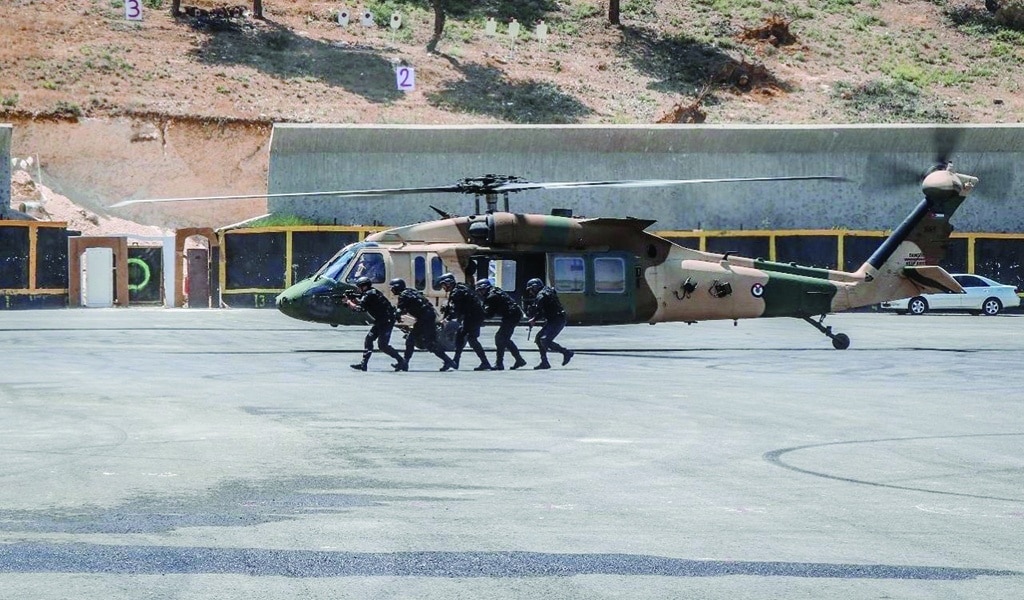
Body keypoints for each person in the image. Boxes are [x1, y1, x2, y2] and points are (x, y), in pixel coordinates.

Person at [341, 276, 408, 372]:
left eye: (359, 287)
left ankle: (402, 362)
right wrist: (352, 299)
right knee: (369, 339)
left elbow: (360, 309)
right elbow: (363, 304)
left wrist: (348, 302)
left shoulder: (369, 294)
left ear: (364, 287)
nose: (358, 289)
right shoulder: (371, 292)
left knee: (383, 345)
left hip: (386, 321)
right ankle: (364, 364)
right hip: (381, 320)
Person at [390, 278, 457, 372]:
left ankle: (405, 363)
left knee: (418, 341)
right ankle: (448, 361)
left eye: (392, 288)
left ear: (397, 287)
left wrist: (395, 316)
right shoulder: (411, 291)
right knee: (425, 342)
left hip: (425, 319)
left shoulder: (403, 295)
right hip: (427, 317)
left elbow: (400, 310)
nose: (391, 290)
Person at [437, 272, 492, 371]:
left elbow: (455, 309)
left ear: (449, 283)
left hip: (473, 317)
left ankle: (458, 362)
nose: (443, 288)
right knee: (463, 336)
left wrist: (446, 319)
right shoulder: (460, 288)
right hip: (473, 316)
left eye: (444, 285)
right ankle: (457, 361)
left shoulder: (457, 292)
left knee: (469, 339)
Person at [476, 278, 527, 370]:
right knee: (504, 338)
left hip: (512, 315)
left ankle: (500, 363)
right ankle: (519, 360)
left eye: (481, 290)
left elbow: (489, 315)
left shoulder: (491, 296)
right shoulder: (494, 291)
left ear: (486, 288)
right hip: (512, 314)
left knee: (500, 338)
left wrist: (478, 311)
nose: (480, 292)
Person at [524, 277, 574, 370]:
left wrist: (533, 319)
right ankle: (544, 362)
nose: (530, 292)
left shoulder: (541, 296)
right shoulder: (547, 291)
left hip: (557, 319)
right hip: (554, 319)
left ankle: (566, 352)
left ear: (535, 287)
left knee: (545, 340)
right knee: (539, 338)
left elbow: (539, 312)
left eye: (531, 290)